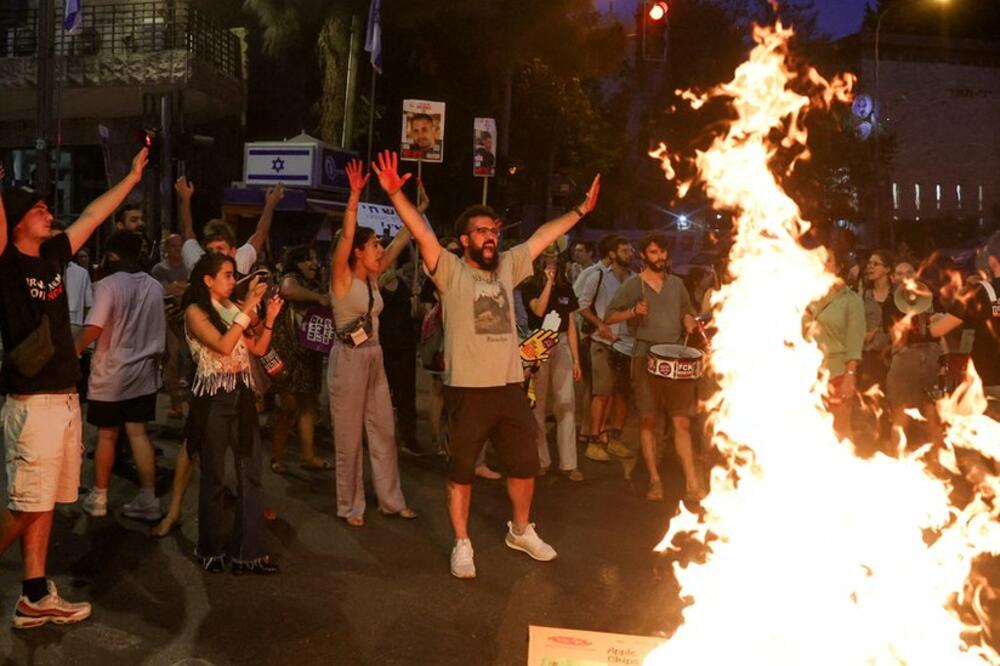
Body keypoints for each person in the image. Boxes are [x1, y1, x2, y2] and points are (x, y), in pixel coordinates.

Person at [373, 149, 600, 579]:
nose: (491, 236)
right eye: (480, 231)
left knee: (524, 464)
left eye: (493, 229)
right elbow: (421, 232)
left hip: (510, 386)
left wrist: (579, 210)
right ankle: (462, 543)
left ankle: (520, 529)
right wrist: (396, 195)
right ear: (464, 240)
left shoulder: (509, 267)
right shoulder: (451, 270)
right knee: (461, 471)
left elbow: (540, 237)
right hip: (468, 390)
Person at [0, 148, 147, 628]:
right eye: (38, 208)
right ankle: (33, 594)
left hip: (64, 398)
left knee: (41, 501)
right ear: (17, 222)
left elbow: (92, 213)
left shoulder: (55, 254)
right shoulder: (6, 264)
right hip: (32, 401)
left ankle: (34, 595)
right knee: (26, 504)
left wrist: (131, 175)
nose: (49, 211)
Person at [329, 158, 416, 527]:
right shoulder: (342, 279)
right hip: (348, 359)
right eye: (373, 244)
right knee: (349, 438)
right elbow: (347, 236)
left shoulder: (375, 278)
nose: (380, 248)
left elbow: (402, 239)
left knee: (384, 430)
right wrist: (354, 196)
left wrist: (415, 209)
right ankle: (350, 506)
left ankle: (391, 501)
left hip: (374, 356)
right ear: (357, 251)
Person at [184, 253, 283, 575]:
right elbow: (224, 346)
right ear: (207, 280)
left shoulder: (233, 307)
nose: (232, 279)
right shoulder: (196, 312)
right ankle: (210, 548)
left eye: (232, 274)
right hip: (213, 400)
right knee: (213, 475)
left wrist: (268, 319)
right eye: (226, 275)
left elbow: (257, 349)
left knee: (250, 474)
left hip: (241, 396)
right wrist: (248, 307)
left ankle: (249, 552)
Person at [605, 232, 704, 502]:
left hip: (676, 358)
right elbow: (609, 315)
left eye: (662, 252)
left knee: (681, 422)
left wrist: (688, 321)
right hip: (645, 358)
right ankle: (654, 480)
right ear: (643, 255)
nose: (660, 258)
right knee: (648, 421)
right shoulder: (634, 285)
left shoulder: (677, 284)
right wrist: (632, 313)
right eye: (653, 253)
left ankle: (692, 482)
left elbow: (687, 310)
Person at [76, 231, 166, 521]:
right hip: (143, 375)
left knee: (107, 436)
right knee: (138, 434)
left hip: (111, 375)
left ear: (112, 254)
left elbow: (94, 327)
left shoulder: (107, 285)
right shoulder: (154, 286)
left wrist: (72, 351)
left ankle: (99, 497)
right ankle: (148, 498)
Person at [521, 246, 583, 480]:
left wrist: (576, 359)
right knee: (536, 404)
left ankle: (570, 463)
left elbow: (571, 325)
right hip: (538, 341)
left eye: (555, 260)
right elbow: (538, 309)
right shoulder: (530, 286)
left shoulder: (567, 288)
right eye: (547, 260)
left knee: (566, 402)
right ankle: (541, 460)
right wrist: (547, 283)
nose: (551, 264)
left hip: (562, 342)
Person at [269, 244, 332, 473]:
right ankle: (277, 457)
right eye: (308, 260)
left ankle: (308, 456)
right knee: (288, 405)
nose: (314, 264)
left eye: (315, 259)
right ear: (296, 263)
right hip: (289, 355)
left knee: (307, 404)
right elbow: (288, 290)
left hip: (308, 354)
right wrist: (320, 298)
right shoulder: (291, 278)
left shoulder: (314, 284)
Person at [575, 234, 634, 462]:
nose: (630, 254)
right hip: (602, 343)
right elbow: (582, 306)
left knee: (622, 394)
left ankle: (614, 438)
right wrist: (600, 324)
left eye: (630, 250)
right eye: (625, 250)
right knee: (601, 392)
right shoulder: (597, 276)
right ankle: (594, 440)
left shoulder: (633, 278)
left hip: (627, 344)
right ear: (612, 254)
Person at [930, 231, 1000, 399]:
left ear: (992, 261)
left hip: (987, 380)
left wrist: (934, 320)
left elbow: (937, 330)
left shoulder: (978, 292)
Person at [806, 246, 865, 441]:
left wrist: (850, 375)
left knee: (840, 429)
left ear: (838, 267)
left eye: (828, 259)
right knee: (810, 428)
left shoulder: (851, 300)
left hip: (838, 373)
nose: (822, 263)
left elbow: (855, 341)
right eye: (819, 258)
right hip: (808, 373)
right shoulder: (808, 296)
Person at [883, 258, 943, 451]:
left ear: (916, 275)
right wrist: (907, 318)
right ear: (893, 278)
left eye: (908, 273)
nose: (904, 277)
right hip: (905, 358)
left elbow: (942, 331)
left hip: (932, 357)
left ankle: (939, 459)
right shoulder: (891, 303)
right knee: (899, 412)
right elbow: (896, 340)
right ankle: (899, 454)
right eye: (899, 274)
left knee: (934, 411)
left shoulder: (931, 297)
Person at [175, 176, 283, 275]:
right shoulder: (196, 263)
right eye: (210, 250)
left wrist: (270, 204)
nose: (215, 254)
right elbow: (187, 230)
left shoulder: (240, 261)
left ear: (233, 251)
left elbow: (260, 234)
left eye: (220, 248)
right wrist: (185, 199)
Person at [152, 233, 190, 419]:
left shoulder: (189, 267)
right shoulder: (160, 269)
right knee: (172, 361)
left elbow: (187, 289)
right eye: (173, 246)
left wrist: (179, 287)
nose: (177, 250)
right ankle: (176, 403)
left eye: (179, 246)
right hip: (170, 319)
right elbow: (167, 290)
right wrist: (180, 288)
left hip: (189, 318)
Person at [859, 249, 893, 393]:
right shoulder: (863, 296)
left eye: (876, 264)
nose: (870, 267)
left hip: (892, 356)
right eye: (869, 264)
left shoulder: (897, 296)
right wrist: (864, 335)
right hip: (869, 357)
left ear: (887, 269)